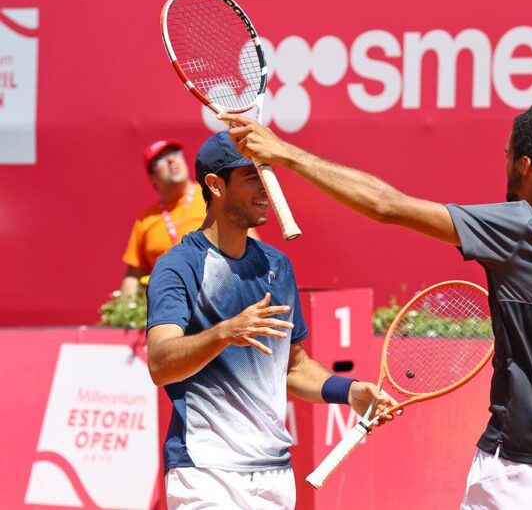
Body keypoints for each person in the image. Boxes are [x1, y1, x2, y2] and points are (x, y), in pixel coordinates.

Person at [219, 105, 532, 510]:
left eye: (508, 153)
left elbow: (386, 205)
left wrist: (286, 154)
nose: (505, 161)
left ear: (525, 165)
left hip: (525, 471)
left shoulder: (518, 227)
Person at [146, 132, 396, 509]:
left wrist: (348, 391)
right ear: (215, 185)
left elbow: (292, 367)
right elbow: (160, 364)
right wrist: (225, 333)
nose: (267, 187)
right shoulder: (177, 266)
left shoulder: (276, 265)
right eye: (252, 176)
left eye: (268, 173)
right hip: (205, 472)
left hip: (274, 475)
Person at [120, 140, 205, 297]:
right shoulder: (145, 221)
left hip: (217, 298)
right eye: (161, 158)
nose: (171, 159)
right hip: (168, 304)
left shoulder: (213, 196)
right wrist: (125, 307)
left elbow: (247, 243)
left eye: (175, 153)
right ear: (151, 177)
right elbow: (133, 275)